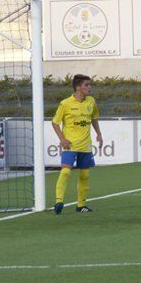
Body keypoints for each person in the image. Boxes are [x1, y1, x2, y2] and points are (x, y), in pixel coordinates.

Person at [52, 74, 103, 215]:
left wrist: (99, 133)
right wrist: (62, 139)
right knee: (66, 171)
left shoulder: (91, 101)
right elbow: (55, 123)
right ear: (78, 87)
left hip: (86, 145)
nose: (89, 87)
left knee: (84, 175)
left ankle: (81, 205)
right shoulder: (65, 104)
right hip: (71, 145)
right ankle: (58, 201)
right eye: (86, 85)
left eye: (89, 84)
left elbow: (94, 117)